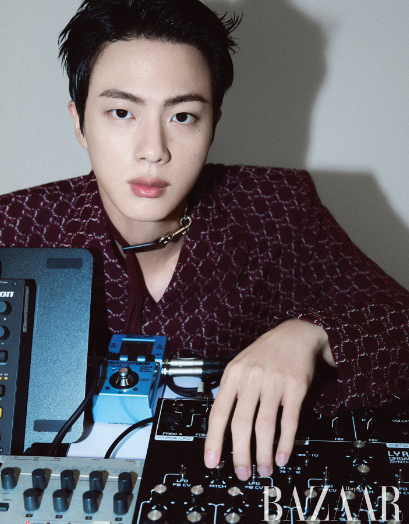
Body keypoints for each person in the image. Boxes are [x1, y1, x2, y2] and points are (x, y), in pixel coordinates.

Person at [0, 0, 408, 482]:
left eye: (183, 117)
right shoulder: (16, 225)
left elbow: (398, 324)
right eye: (122, 112)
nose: (154, 150)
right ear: (79, 122)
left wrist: (313, 334)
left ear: (214, 122)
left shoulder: (278, 208)